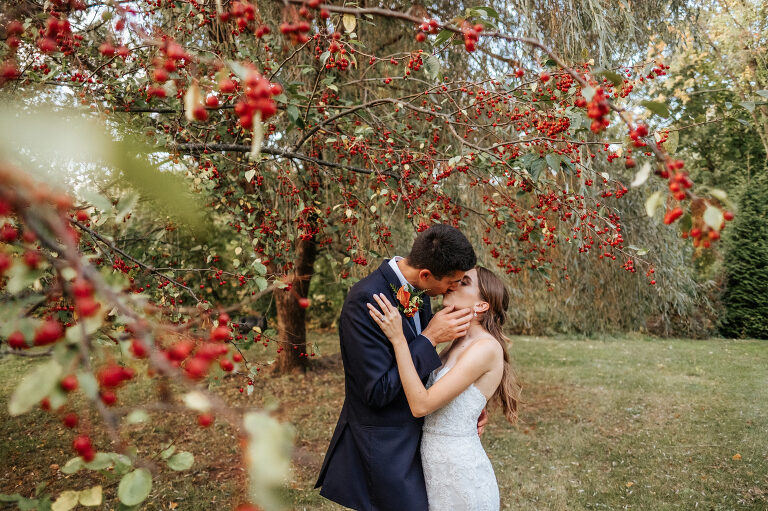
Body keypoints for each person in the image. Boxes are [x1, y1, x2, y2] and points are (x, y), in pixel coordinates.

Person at [315, 224, 485, 511]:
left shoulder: (422, 291)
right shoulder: (366, 300)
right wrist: (430, 338)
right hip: (385, 446)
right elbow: (376, 391)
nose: (454, 288)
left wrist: (464, 403)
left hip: (420, 439)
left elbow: (419, 370)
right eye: (452, 282)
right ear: (426, 274)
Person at [367, 266, 521, 511]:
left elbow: (422, 405)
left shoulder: (485, 348)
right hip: (434, 470)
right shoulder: (454, 343)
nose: (454, 284)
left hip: (461, 474)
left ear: (482, 305)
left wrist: (399, 340)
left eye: (464, 282)